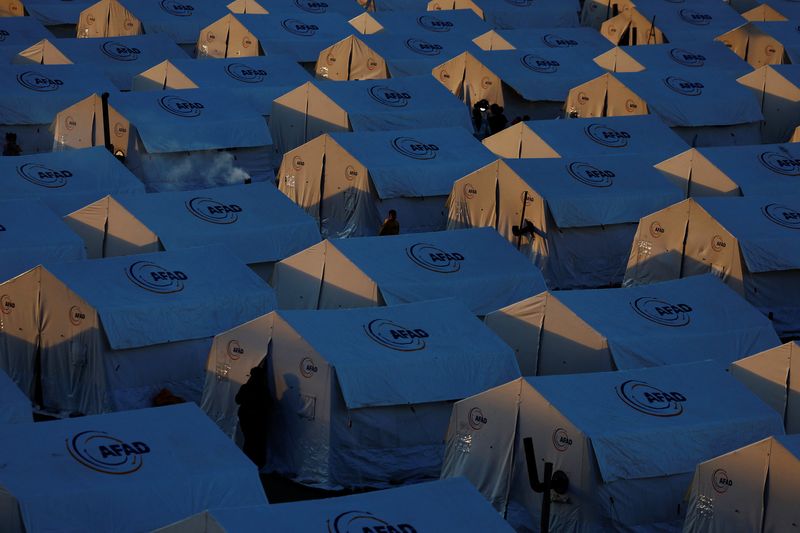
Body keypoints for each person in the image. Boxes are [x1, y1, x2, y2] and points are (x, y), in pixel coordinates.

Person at [235, 366, 272, 469]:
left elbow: (237, 400)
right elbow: (270, 405)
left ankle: (247, 462)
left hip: (246, 418)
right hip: (258, 420)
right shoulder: (263, 390)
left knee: (249, 441)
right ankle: (257, 463)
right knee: (257, 442)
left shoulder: (246, 387)